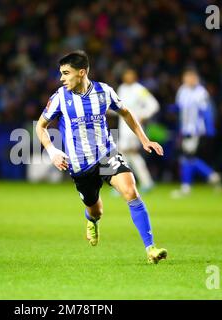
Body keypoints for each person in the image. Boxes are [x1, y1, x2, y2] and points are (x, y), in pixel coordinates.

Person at [35, 51, 167, 264]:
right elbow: (41, 126)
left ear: (81, 72)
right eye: (61, 74)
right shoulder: (59, 97)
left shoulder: (104, 91)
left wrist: (145, 140)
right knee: (96, 211)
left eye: (65, 73)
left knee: (131, 191)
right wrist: (52, 150)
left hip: (107, 155)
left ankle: (150, 248)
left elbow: (126, 113)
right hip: (79, 165)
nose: (61, 78)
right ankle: (91, 220)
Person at [171, 68, 221, 198]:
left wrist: (209, 127)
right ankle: (212, 176)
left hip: (195, 130)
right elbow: (180, 110)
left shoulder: (201, 92)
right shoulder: (182, 90)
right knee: (188, 158)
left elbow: (206, 110)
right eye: (186, 78)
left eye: (191, 77)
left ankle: (187, 187)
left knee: (186, 157)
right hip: (185, 129)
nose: (188, 80)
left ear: (196, 78)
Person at [117, 68, 159, 192]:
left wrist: (143, 115)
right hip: (123, 126)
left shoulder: (140, 89)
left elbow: (154, 105)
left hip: (134, 127)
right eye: (126, 75)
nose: (128, 77)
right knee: (126, 154)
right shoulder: (122, 89)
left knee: (127, 153)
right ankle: (140, 182)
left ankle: (127, 183)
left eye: (130, 74)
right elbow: (119, 107)